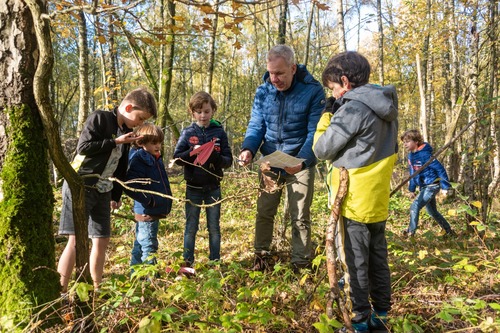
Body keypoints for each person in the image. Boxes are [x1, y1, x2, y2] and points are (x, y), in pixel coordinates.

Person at [313, 51, 398, 333]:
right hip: (377, 197)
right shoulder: (385, 105)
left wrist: (327, 115)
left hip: (354, 199)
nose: (334, 94)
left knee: (356, 261)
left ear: (345, 82)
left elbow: (321, 148)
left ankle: (360, 321)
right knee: (378, 258)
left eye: (333, 88)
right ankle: (381, 315)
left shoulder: (352, 108)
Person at [58, 87, 157, 293]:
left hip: (104, 189)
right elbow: (83, 147)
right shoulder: (100, 118)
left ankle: (96, 289)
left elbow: (120, 166)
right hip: (81, 184)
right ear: (128, 107)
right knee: (76, 240)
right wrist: (115, 141)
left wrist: (116, 195)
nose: (140, 124)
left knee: (102, 239)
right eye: (139, 118)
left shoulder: (127, 133)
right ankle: (60, 291)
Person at [238, 44, 325, 272]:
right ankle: (262, 257)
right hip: (271, 159)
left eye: (280, 73)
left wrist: (303, 160)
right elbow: (257, 125)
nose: (274, 79)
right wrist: (248, 148)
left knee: (300, 216)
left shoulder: (313, 91)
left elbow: (314, 132)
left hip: (300, 160)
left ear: (293, 68)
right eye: (271, 73)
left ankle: (301, 263)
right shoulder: (263, 91)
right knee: (265, 211)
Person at [173, 92, 233, 268]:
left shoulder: (219, 133)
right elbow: (176, 159)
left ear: (212, 110)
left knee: (214, 228)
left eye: (207, 111)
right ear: (192, 113)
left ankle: (215, 264)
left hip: (213, 188)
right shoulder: (188, 133)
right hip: (193, 188)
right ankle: (187, 265)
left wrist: (213, 156)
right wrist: (194, 153)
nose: (203, 115)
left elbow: (228, 161)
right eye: (199, 112)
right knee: (191, 227)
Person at [125, 124, 172, 273]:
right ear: (141, 143)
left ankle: (136, 275)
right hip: (147, 210)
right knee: (149, 245)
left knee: (140, 243)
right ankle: (150, 279)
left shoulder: (154, 158)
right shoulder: (140, 159)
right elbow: (131, 185)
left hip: (153, 209)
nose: (158, 146)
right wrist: (149, 200)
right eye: (153, 143)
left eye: (159, 142)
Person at [400, 129, 456, 238]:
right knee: (432, 212)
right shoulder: (411, 156)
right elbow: (413, 173)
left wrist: (446, 187)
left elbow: (440, 169)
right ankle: (449, 231)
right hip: (424, 187)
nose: (405, 144)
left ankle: (411, 232)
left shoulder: (425, 155)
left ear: (416, 142)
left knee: (415, 206)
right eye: (404, 142)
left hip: (432, 185)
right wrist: (411, 189)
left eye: (407, 141)